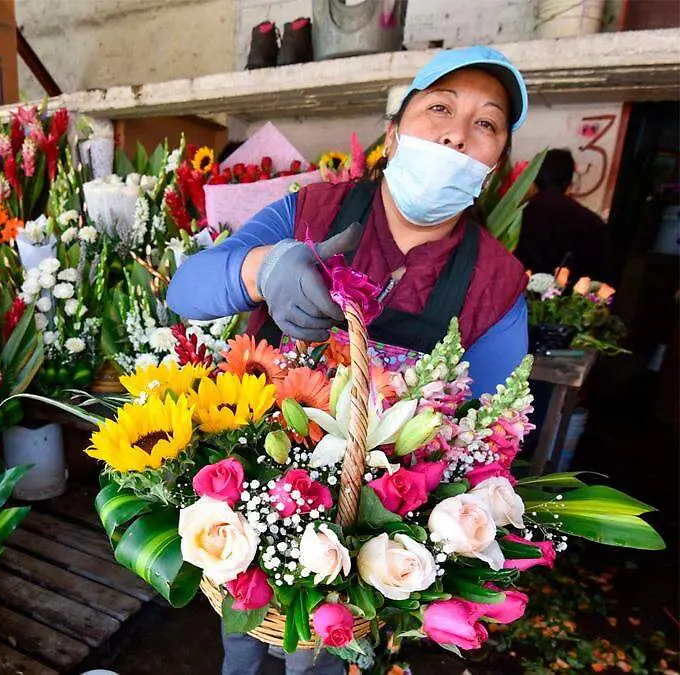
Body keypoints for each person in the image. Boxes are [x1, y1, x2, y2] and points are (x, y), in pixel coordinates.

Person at [167, 45, 531, 675]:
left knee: (322, 661)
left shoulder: (497, 283)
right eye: (439, 108)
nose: (457, 132)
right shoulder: (312, 211)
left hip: (373, 525)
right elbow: (186, 289)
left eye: (487, 123)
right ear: (393, 136)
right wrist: (265, 267)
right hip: (258, 486)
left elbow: (490, 442)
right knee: (241, 637)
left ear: (494, 166)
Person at [515, 148, 610, 280]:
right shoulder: (591, 222)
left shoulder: (518, 215)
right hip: (571, 298)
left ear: (534, 177)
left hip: (520, 294)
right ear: (570, 180)